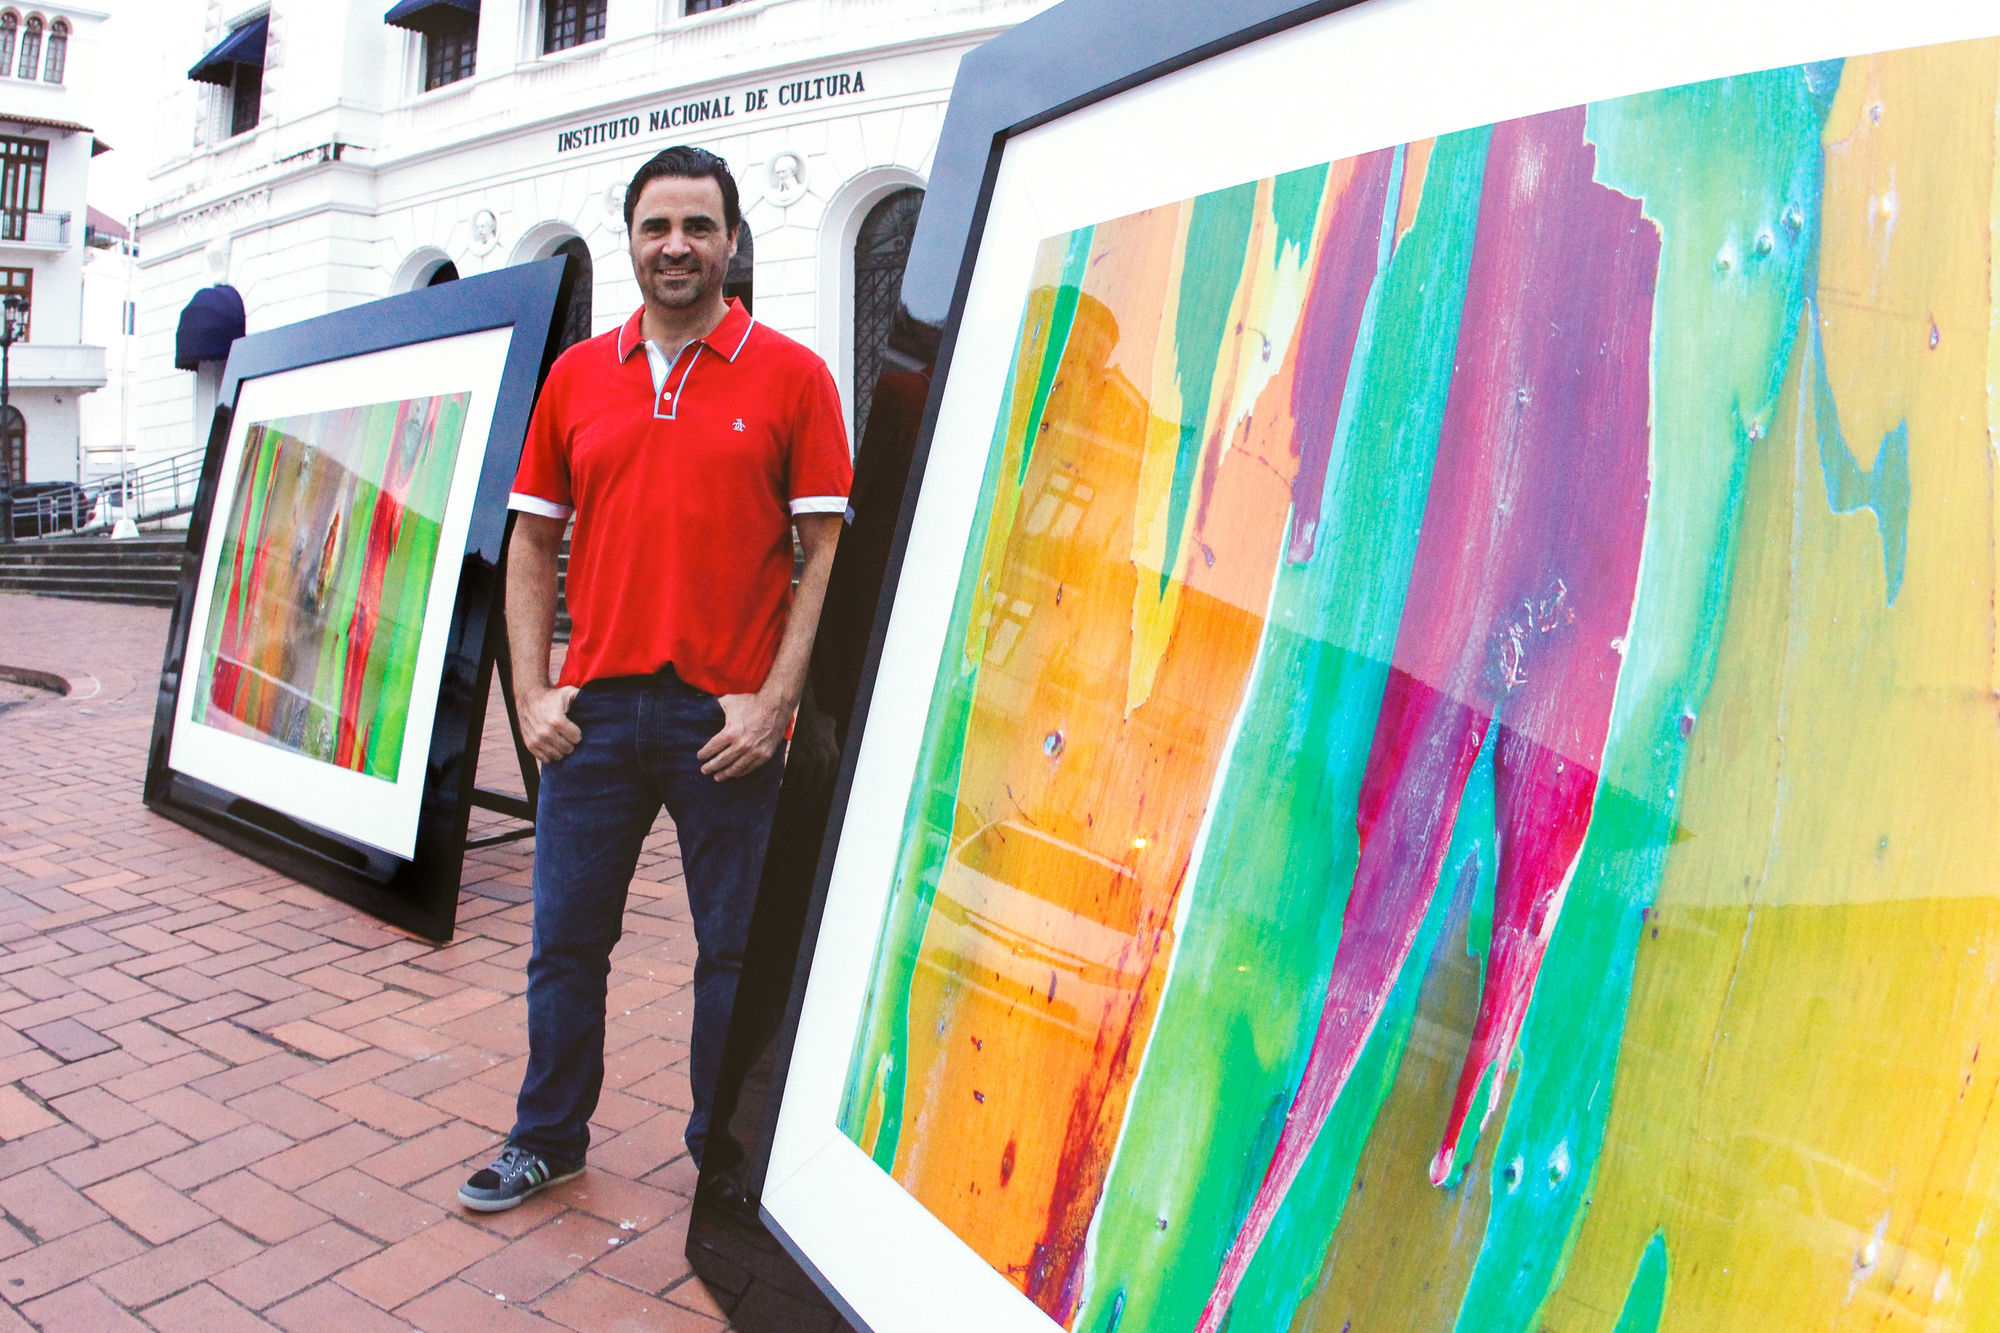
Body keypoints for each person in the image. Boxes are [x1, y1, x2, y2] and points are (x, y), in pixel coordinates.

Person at [458, 145, 850, 1211]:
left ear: (731, 240)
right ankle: (548, 1136)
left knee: (736, 953)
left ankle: (722, 1153)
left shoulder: (793, 376)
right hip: (590, 718)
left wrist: (774, 699)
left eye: (697, 226)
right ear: (627, 240)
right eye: (655, 226)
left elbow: (824, 553)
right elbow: (531, 542)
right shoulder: (577, 378)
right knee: (563, 945)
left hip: (723, 718)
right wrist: (531, 691)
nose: (676, 245)